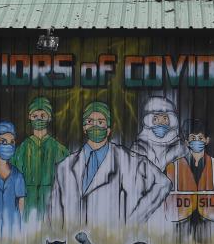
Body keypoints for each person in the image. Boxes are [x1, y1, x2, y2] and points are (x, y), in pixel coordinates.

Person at [48, 101, 171, 229]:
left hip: (111, 241)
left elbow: (163, 183)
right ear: (84, 128)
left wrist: (135, 220)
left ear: (108, 130)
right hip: (73, 243)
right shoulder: (64, 166)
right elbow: (55, 209)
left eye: (101, 122)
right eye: (90, 122)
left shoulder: (128, 160)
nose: (95, 126)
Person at [165, 119, 214, 243]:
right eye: (192, 138)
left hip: (210, 226)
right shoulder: (172, 168)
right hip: (179, 226)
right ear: (186, 142)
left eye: (200, 138)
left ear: (207, 140)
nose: (196, 141)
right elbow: (162, 200)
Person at [11, 96, 69, 221]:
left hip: (52, 200)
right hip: (27, 200)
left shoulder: (59, 149)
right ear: (29, 117)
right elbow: (14, 177)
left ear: (49, 117)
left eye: (43, 115)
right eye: (35, 116)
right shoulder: (22, 149)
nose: (39, 119)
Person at [131, 96, 188, 170]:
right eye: (156, 119)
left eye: (165, 118)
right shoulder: (137, 148)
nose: (161, 123)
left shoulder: (181, 149)